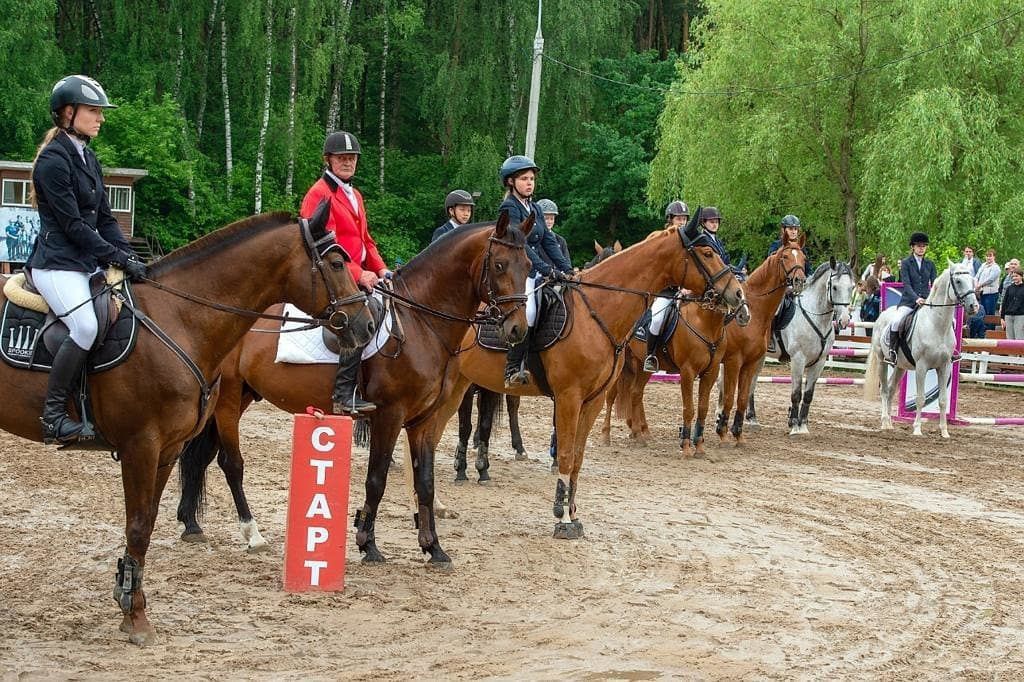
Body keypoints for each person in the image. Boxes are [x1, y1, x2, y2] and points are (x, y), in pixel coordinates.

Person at [28, 75, 147, 444]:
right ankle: (53, 418)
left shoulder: (88, 156)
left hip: (85, 263)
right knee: (84, 327)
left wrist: (129, 255)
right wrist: (116, 257)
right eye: (93, 111)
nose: (101, 118)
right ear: (68, 112)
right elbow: (74, 226)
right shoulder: (53, 161)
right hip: (56, 264)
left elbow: (105, 219)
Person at [300, 130, 390, 414]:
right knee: (361, 316)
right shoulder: (319, 193)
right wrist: (358, 273)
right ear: (329, 160)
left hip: (358, 273)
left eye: (351, 158)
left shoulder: (356, 195)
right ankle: (343, 394)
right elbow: (324, 247)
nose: (348, 162)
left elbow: (366, 241)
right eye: (342, 158)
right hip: (332, 275)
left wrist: (381, 269)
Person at [497, 155, 572, 388]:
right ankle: (512, 368)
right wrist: (546, 268)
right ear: (511, 182)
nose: (530, 183)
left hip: (537, 268)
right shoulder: (509, 207)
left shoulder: (535, 207)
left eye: (532, 179)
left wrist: (567, 269)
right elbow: (523, 244)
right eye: (524, 179)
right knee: (528, 313)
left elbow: (548, 240)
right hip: (521, 272)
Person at [643, 200, 689, 372]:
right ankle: (651, 355)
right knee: (656, 319)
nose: (682, 222)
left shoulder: (690, 241)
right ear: (670, 219)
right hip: (665, 292)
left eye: (684, 219)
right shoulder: (661, 238)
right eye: (678, 218)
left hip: (688, 291)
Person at [886, 232, 936, 366]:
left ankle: (948, 350)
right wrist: (916, 298)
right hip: (909, 301)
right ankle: (893, 352)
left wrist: (931, 299)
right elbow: (906, 285)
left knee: (947, 321)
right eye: (919, 246)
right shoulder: (906, 263)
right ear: (913, 247)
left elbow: (934, 284)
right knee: (896, 322)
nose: (921, 248)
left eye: (924, 246)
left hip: (926, 302)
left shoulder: (930, 264)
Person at [535, 198, 571, 266]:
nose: (549, 222)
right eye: (546, 218)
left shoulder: (561, 241)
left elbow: (567, 263)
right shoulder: (533, 239)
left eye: (552, 219)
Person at [974, 249, 1001, 318]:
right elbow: (977, 276)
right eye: (987, 256)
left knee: (989, 313)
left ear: (994, 257)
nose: (988, 258)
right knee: (982, 312)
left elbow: (990, 279)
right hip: (981, 292)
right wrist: (976, 284)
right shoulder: (983, 265)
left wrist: (980, 285)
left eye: (990, 256)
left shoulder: (996, 267)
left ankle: (990, 328)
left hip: (991, 293)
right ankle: (984, 328)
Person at [999, 269, 1024, 340]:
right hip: (1008, 316)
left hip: (1020, 316)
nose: (1015, 278)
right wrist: (1002, 318)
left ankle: (1019, 351)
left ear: (1021, 276)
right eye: (1013, 276)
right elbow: (1004, 303)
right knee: (1009, 338)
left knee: (1019, 337)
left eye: (1017, 276)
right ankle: (1011, 351)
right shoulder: (1009, 288)